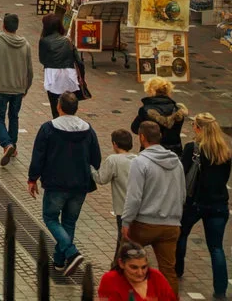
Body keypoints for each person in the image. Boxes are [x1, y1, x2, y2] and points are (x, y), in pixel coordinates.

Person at [28, 91, 101, 276]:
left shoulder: (48, 128)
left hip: (56, 183)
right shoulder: (88, 129)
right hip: (80, 184)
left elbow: (39, 156)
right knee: (69, 222)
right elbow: (96, 158)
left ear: (58, 107)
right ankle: (60, 262)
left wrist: (33, 178)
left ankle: (71, 252)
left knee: (51, 218)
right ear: (76, 108)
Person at [121, 121, 185, 296]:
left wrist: (126, 221)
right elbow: (182, 193)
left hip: (144, 224)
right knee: (168, 271)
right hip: (171, 225)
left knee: (127, 265)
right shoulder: (176, 162)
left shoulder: (140, 162)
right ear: (160, 137)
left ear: (142, 137)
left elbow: (134, 197)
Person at [175, 112, 231, 299]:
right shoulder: (225, 150)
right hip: (219, 204)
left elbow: (182, 173)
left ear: (199, 128)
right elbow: (224, 178)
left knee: (181, 234)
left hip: (195, 202)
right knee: (216, 247)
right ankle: (220, 290)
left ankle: (178, 269)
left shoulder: (193, 148)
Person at [0, 13, 32, 166]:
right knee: (14, 117)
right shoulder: (25, 44)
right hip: (18, 88)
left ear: (3, 25)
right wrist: (25, 87)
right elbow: (29, 70)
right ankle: (13, 146)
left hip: (1, 87)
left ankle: (7, 144)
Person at [91, 129, 137, 264]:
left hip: (122, 209)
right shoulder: (138, 159)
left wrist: (90, 168)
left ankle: (118, 266)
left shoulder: (114, 160)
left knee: (122, 239)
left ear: (115, 144)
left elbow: (101, 179)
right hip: (139, 208)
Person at [38, 14, 85, 118]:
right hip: (69, 76)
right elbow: (79, 62)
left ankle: (58, 128)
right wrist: (82, 79)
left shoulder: (44, 41)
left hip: (53, 76)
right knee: (69, 107)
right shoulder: (67, 40)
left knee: (55, 109)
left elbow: (42, 59)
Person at [97, 241, 177, 301]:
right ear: (121, 263)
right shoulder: (110, 279)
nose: (140, 273)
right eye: (134, 267)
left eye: (144, 267)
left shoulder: (156, 277)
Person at [130, 77, 187, 156]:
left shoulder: (146, 110)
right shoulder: (177, 110)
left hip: (151, 151)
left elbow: (135, 128)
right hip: (174, 152)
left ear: (151, 90)